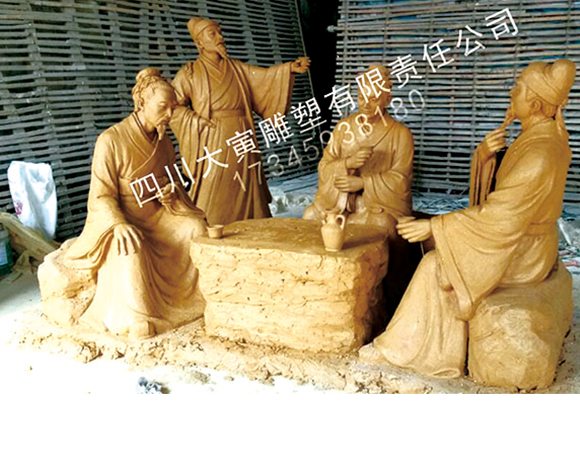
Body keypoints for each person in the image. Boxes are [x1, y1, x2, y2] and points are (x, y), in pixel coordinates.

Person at [359, 59, 576, 377]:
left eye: (518, 89)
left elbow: (501, 215)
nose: (511, 94)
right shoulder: (534, 140)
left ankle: (408, 351)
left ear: (534, 104)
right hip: (517, 235)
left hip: (524, 250)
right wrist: (485, 157)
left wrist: (436, 227)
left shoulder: (540, 153)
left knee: (436, 264)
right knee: (423, 231)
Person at [47, 68, 208, 340]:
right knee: (131, 245)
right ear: (142, 103)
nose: (169, 114)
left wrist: (172, 195)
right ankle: (138, 316)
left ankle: (195, 300)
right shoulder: (111, 140)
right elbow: (101, 195)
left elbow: (174, 181)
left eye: (173, 108)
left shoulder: (164, 143)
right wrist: (118, 223)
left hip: (159, 214)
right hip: (126, 217)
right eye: (163, 107)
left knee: (194, 228)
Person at [169, 17, 310, 225]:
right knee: (214, 180)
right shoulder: (189, 73)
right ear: (199, 42)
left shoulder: (235, 68)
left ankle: (256, 222)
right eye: (212, 34)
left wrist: (288, 69)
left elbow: (262, 78)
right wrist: (195, 121)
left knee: (247, 179)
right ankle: (212, 223)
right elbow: (171, 106)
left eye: (220, 32)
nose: (220, 37)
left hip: (242, 131)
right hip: (213, 137)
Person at [303, 65, 415, 313]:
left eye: (374, 98)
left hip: (375, 206)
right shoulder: (343, 129)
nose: (366, 103)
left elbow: (401, 180)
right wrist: (346, 165)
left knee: (384, 227)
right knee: (310, 216)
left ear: (387, 99)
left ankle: (383, 299)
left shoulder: (400, 134)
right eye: (362, 96)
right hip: (341, 203)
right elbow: (325, 166)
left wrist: (364, 183)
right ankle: (315, 288)